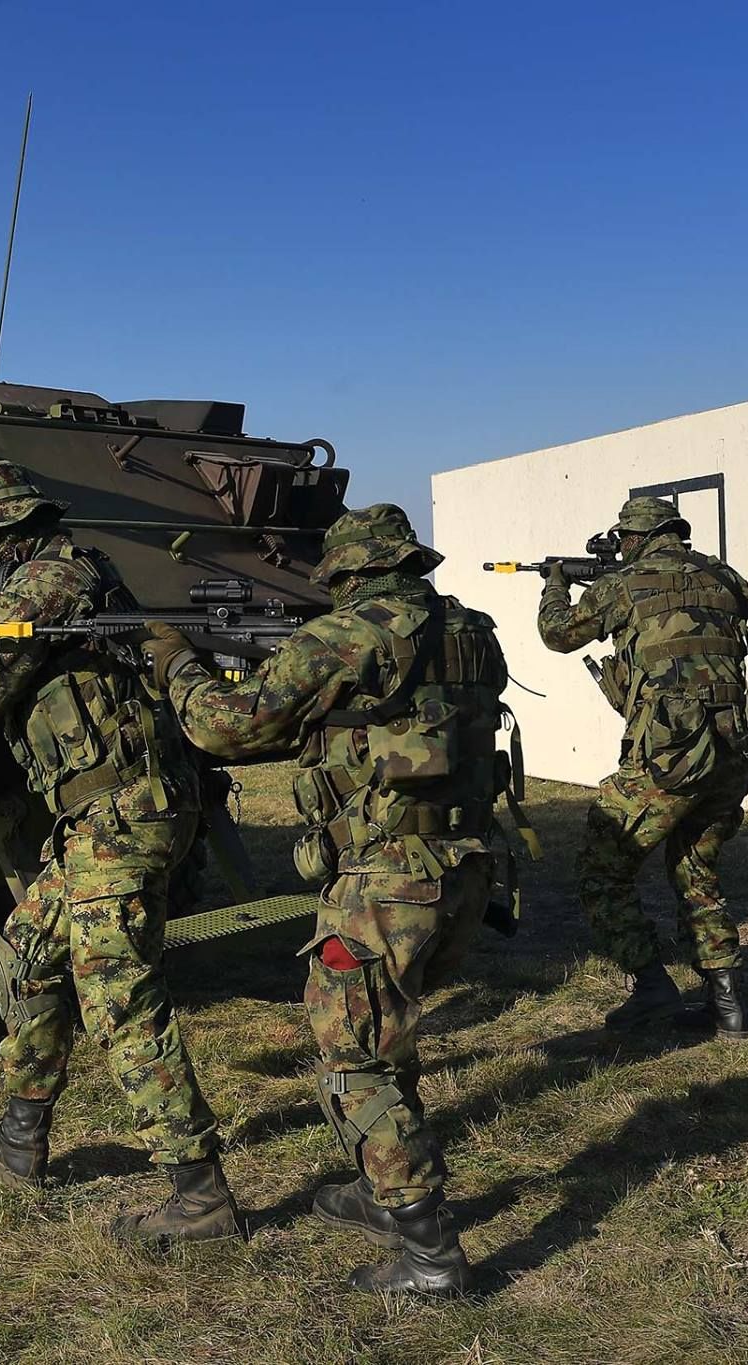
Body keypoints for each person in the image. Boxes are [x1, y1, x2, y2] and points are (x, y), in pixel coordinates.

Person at [145, 504, 514, 1297]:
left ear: (346, 575)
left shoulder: (348, 635)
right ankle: (381, 1195)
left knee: (353, 1058)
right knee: (388, 1034)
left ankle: (430, 1253)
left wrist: (175, 660)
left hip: (386, 883)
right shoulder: (473, 629)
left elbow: (226, 728)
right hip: (464, 868)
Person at [0, 461, 239, 1247]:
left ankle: (201, 1193)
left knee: (120, 998)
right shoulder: (62, 574)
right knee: (22, 955)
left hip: (123, 813)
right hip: (103, 814)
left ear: (3, 535)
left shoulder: (49, 578)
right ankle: (21, 1132)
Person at [535, 496, 748, 1040]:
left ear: (633, 540)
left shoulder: (621, 585)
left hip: (671, 756)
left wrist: (555, 583)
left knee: (601, 871)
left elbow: (558, 634)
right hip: (732, 750)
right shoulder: (726, 578)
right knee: (697, 873)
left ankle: (651, 986)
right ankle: (726, 1004)